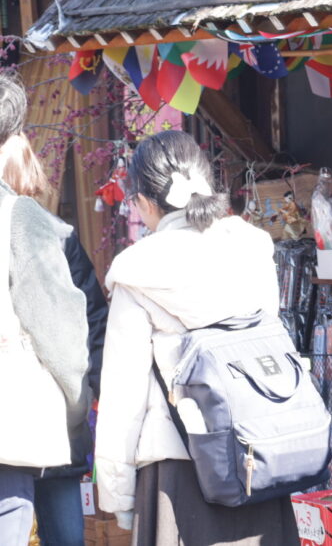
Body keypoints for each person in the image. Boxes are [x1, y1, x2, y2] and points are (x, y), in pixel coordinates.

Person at [95, 130, 298, 545]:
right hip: (257, 455)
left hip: (178, 469)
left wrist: (119, 496)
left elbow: (123, 394)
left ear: (147, 203)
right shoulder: (252, 249)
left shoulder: (137, 271)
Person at [0, 132, 108, 546]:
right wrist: (81, 399)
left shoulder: (50, 233)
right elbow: (84, 324)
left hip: (27, 416)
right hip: (50, 414)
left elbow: (86, 320)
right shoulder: (54, 235)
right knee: (62, 531)